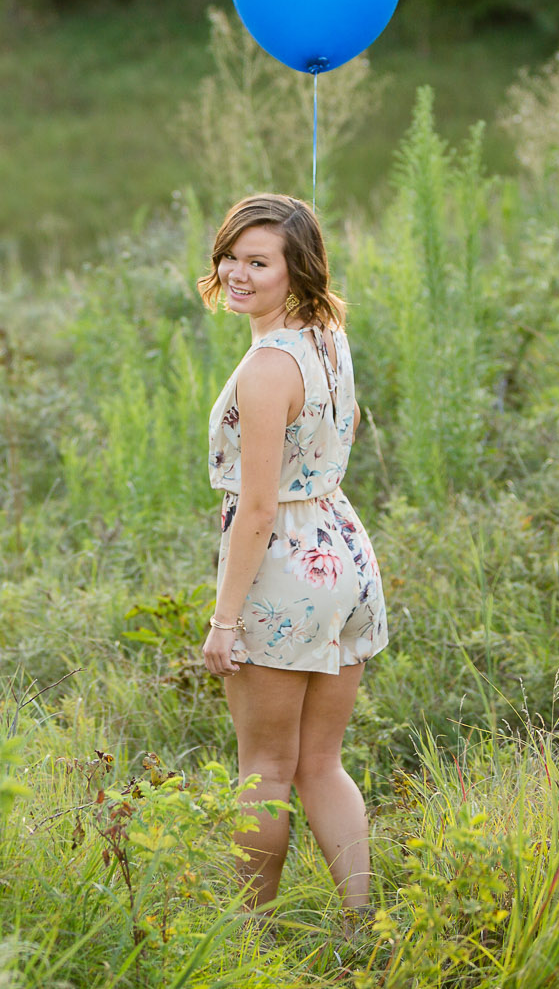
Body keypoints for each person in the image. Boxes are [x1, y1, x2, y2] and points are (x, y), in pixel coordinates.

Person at [197, 193, 388, 912]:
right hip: (343, 552)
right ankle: (360, 920)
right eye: (230, 256)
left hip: (285, 568)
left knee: (266, 768)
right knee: (320, 762)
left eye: (258, 261)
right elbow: (348, 427)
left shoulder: (268, 367)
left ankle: (250, 938)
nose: (237, 274)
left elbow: (257, 507)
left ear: (295, 270)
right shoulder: (329, 333)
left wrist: (224, 620)